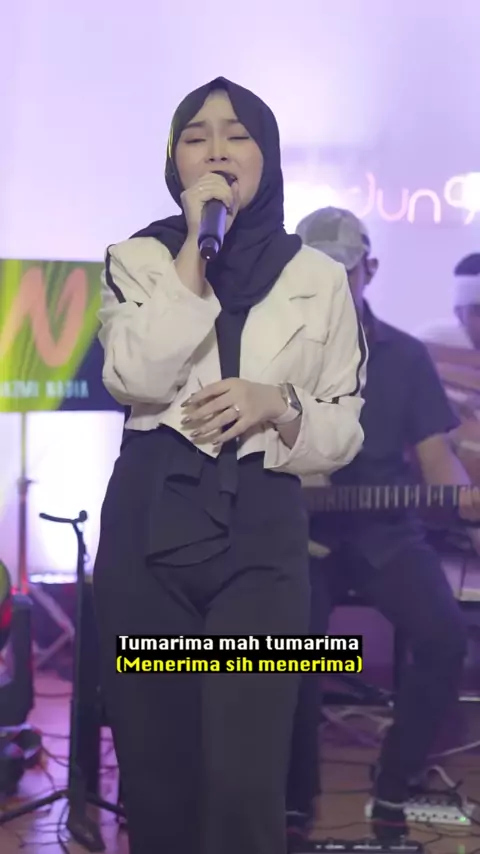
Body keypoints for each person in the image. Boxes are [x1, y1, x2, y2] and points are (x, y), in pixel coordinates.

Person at [93, 80, 366, 854]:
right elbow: (136, 378)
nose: (217, 150)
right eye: (196, 137)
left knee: (246, 784)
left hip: (261, 541)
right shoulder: (137, 259)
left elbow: (342, 431)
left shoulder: (319, 279)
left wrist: (276, 402)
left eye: (237, 134)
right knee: (158, 779)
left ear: (266, 156)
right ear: (175, 163)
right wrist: (194, 248)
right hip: (149, 533)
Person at [287, 206, 480, 845]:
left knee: (444, 638)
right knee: (286, 655)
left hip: (386, 533)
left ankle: (393, 786)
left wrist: (464, 497)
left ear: (369, 269)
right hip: (297, 540)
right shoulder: (269, 352)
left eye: (342, 273)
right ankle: (293, 803)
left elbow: (436, 457)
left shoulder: (404, 355)